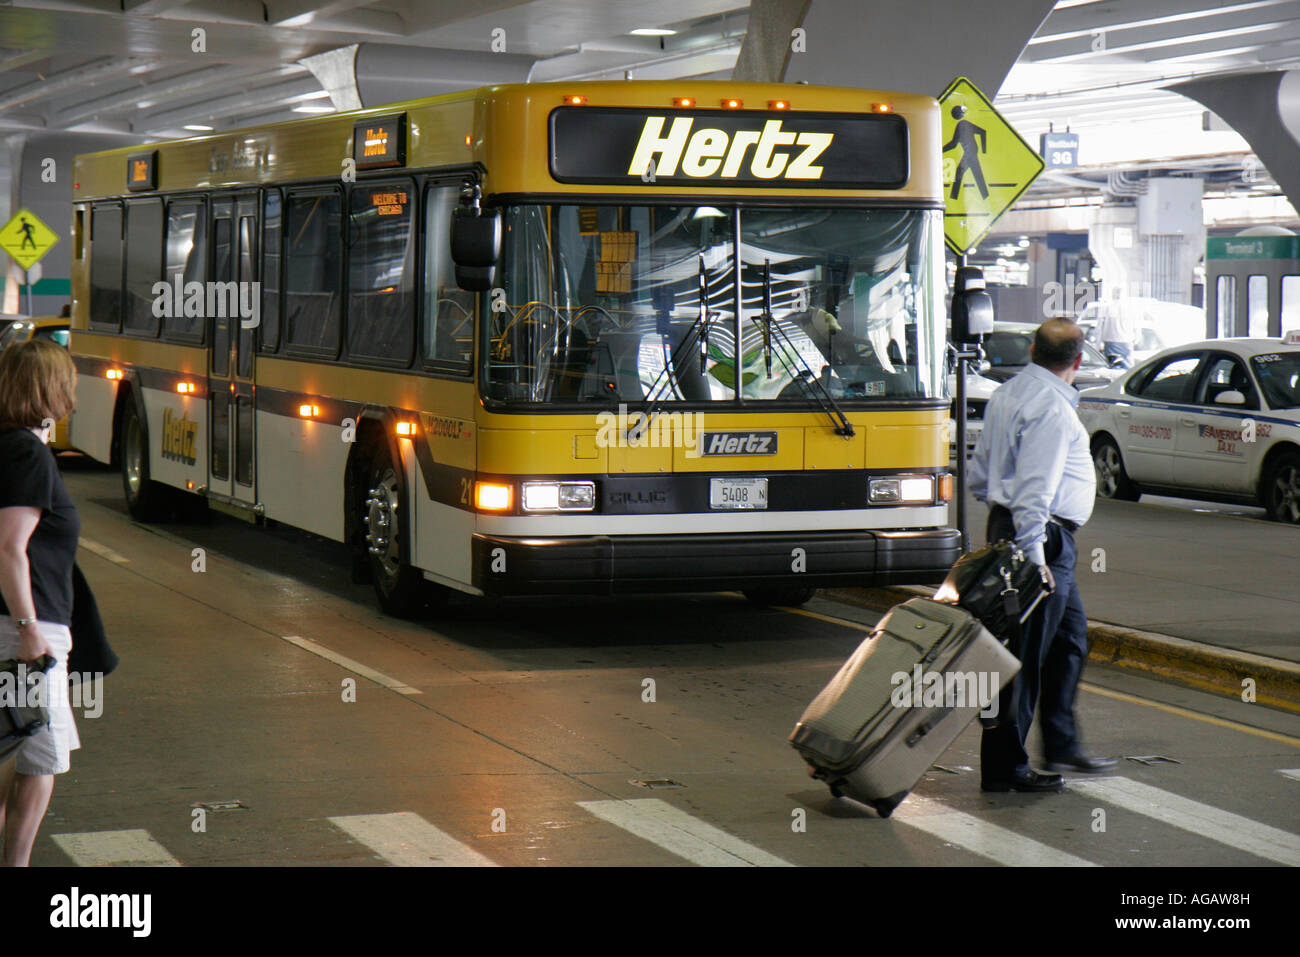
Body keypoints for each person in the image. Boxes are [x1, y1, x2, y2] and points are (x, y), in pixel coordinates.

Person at [968, 319, 1116, 792]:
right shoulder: (1052, 409)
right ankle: (1005, 769)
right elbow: (1036, 491)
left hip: (1021, 531)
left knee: (1069, 642)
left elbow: (978, 474)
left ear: (1033, 349)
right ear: (1077, 360)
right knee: (1024, 656)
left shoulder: (1006, 394)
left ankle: (1062, 742)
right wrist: (1034, 559)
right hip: (1040, 540)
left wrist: (1003, 514)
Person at [0, 339, 81, 865]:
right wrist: (29, 627)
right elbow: (9, 546)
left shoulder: (11, 444)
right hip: (26, 630)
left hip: (17, 624)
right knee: (36, 753)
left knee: (16, 749)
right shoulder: (26, 452)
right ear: (50, 389)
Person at [1094, 291, 1136, 369]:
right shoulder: (1130, 308)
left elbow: (1099, 328)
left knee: (1113, 368)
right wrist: (1133, 340)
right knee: (1128, 369)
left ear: (1112, 295)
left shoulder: (1106, 307)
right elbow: (1137, 329)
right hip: (1127, 343)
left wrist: (1097, 345)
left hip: (1111, 342)